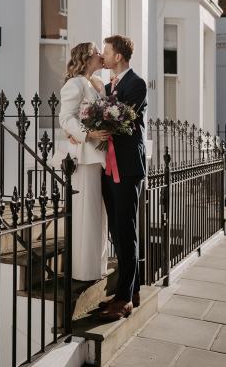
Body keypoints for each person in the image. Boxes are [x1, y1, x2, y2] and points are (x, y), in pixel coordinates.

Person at [99, 35, 147, 321]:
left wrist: (95, 119)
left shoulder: (136, 84)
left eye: (106, 51)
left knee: (126, 231)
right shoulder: (107, 86)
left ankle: (124, 299)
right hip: (108, 167)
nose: (103, 56)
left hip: (128, 168)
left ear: (118, 56)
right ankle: (134, 289)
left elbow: (117, 119)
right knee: (117, 231)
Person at [59, 42, 109, 281]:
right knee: (86, 215)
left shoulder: (98, 84)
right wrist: (87, 134)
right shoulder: (75, 83)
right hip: (84, 158)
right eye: (98, 51)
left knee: (99, 216)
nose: (102, 55)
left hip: (99, 157)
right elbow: (65, 118)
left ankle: (98, 268)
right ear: (87, 58)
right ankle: (83, 270)